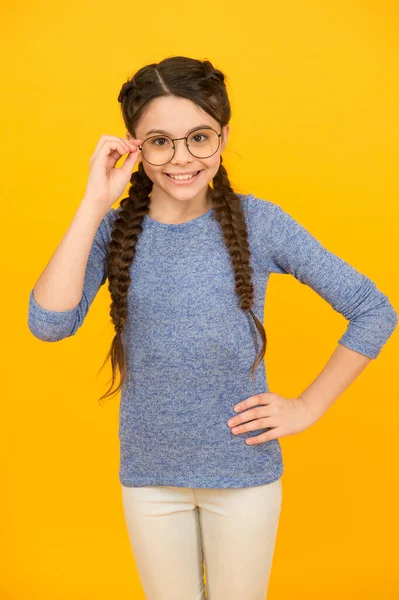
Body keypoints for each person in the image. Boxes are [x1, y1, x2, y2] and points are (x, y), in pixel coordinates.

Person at [27, 56, 398, 600]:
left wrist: (307, 406)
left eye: (198, 137)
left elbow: (374, 308)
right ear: (133, 146)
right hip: (151, 478)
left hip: (244, 475)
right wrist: (92, 203)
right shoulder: (111, 231)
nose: (181, 158)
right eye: (159, 141)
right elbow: (49, 324)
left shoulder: (261, 222)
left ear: (223, 135)